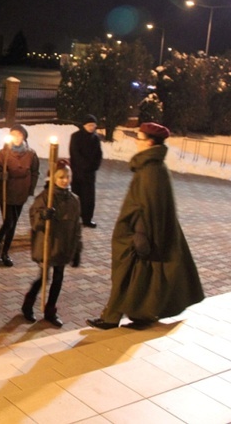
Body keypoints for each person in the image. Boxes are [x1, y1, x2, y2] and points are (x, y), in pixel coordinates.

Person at [87, 123, 205, 330]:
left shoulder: (152, 170)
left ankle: (114, 317)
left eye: (139, 138)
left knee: (127, 275)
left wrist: (140, 235)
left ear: (150, 142)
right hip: (137, 233)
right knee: (133, 276)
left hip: (138, 235)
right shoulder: (150, 166)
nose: (135, 141)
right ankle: (135, 314)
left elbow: (149, 208)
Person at [22, 159, 82, 328]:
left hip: (63, 247)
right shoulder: (45, 198)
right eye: (61, 177)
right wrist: (43, 216)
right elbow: (35, 223)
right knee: (43, 278)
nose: (65, 180)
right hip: (47, 246)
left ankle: (50, 310)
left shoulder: (74, 200)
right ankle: (28, 304)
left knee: (58, 279)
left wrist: (77, 249)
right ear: (53, 178)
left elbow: (77, 226)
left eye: (68, 176)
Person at [0, 124, 40, 267]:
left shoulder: (31, 154)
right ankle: (1, 250)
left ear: (24, 137)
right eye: (14, 135)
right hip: (6, 193)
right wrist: (1, 175)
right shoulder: (3, 153)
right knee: (9, 222)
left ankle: (0, 247)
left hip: (21, 193)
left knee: (13, 223)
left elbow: (35, 172)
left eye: (19, 135)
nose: (16, 137)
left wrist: (31, 188)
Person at [69, 114, 103, 228]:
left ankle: (87, 219)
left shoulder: (96, 138)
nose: (91, 128)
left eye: (93, 125)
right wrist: (83, 165)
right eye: (89, 125)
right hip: (78, 172)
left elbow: (99, 154)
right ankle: (74, 218)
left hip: (90, 174)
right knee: (77, 196)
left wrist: (94, 166)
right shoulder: (76, 136)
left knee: (89, 198)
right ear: (84, 125)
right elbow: (74, 153)